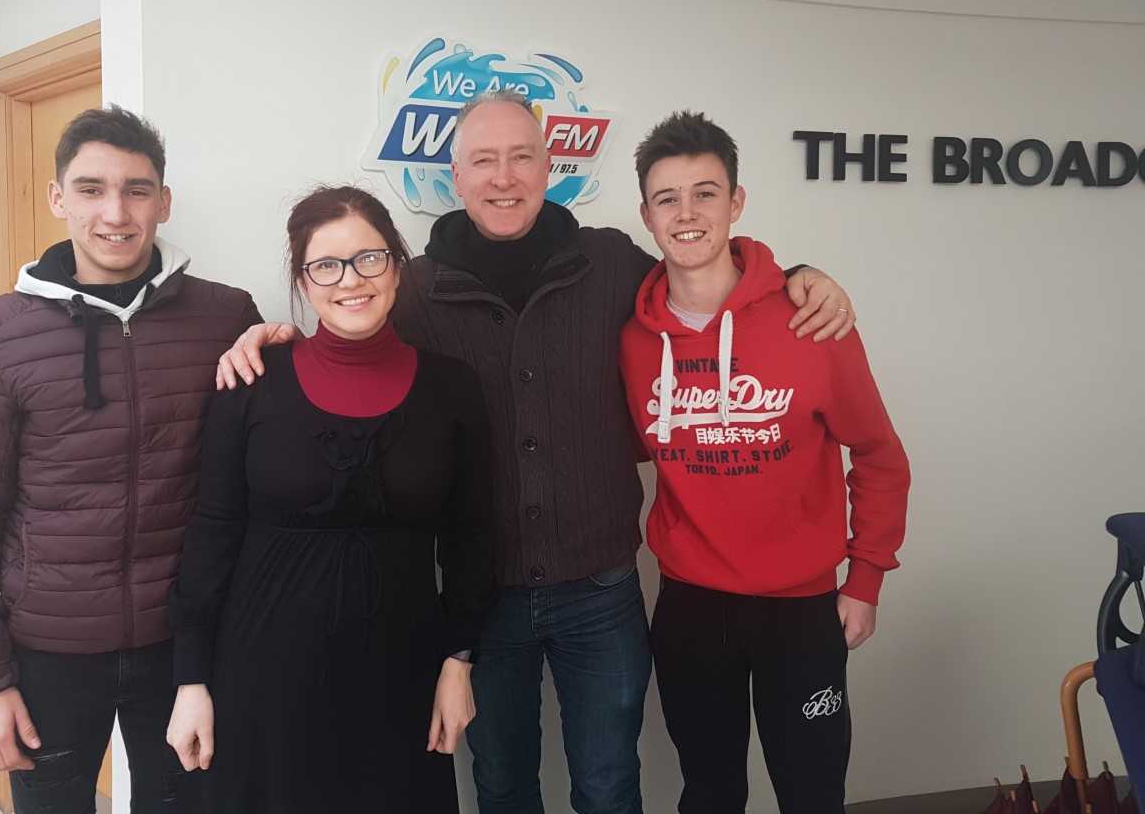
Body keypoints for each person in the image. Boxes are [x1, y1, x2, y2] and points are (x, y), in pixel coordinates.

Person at [216, 91, 857, 814]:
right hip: (483, 597)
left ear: (550, 166)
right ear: (456, 177)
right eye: (484, 160)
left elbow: (705, 276)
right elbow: (349, 338)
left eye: (522, 156)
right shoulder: (414, 287)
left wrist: (798, 276)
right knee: (502, 784)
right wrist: (276, 340)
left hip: (601, 588)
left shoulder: (610, 262)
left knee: (609, 786)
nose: (504, 177)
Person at [0, 107, 260, 813]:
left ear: (163, 201)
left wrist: (286, 343)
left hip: (184, 647)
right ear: (59, 198)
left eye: (137, 190)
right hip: (46, 650)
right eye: (90, 189)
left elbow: (261, 463)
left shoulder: (226, 317)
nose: (115, 212)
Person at [165, 186, 494, 813]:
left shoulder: (452, 388)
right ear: (302, 280)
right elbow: (212, 531)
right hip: (263, 676)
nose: (351, 280)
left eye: (369, 258)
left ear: (397, 267)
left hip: (400, 675)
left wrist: (459, 662)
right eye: (326, 265)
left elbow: (472, 538)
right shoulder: (251, 383)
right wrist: (191, 679)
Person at [620, 110, 911, 813]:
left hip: (802, 610)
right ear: (647, 216)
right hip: (691, 607)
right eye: (667, 199)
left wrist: (866, 577)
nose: (687, 214)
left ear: (737, 202)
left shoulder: (811, 319)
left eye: (706, 193)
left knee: (812, 792)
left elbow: (879, 455)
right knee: (710, 792)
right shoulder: (632, 340)